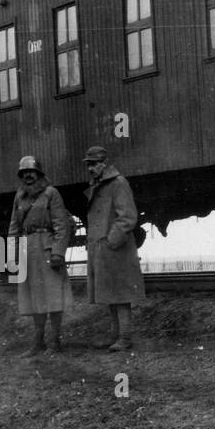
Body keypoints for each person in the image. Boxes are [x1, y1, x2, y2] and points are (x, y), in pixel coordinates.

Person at [7, 155, 73, 356]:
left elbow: (62, 225)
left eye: (31, 172)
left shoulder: (52, 193)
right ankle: (38, 343)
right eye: (24, 173)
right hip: (28, 252)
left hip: (47, 249)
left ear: (39, 174)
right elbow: (14, 228)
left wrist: (58, 252)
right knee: (34, 299)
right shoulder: (19, 197)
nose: (28, 176)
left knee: (53, 297)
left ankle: (55, 342)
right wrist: (12, 256)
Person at [82, 146, 144, 352]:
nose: (90, 168)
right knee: (111, 295)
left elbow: (127, 217)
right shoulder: (100, 185)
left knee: (121, 296)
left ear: (104, 163)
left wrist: (110, 241)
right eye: (88, 164)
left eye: (94, 164)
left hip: (115, 249)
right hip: (104, 249)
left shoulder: (118, 183)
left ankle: (125, 338)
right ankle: (116, 336)